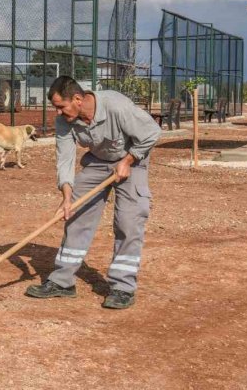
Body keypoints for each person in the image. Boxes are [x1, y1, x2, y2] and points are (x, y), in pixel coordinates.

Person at [25, 76, 161, 309]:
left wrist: (128, 160)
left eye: (60, 106)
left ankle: (122, 287)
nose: (58, 113)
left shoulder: (116, 106)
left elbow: (151, 132)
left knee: (128, 221)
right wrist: (67, 199)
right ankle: (62, 282)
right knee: (75, 214)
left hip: (133, 159)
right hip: (97, 162)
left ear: (78, 99)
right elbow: (65, 161)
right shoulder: (65, 121)